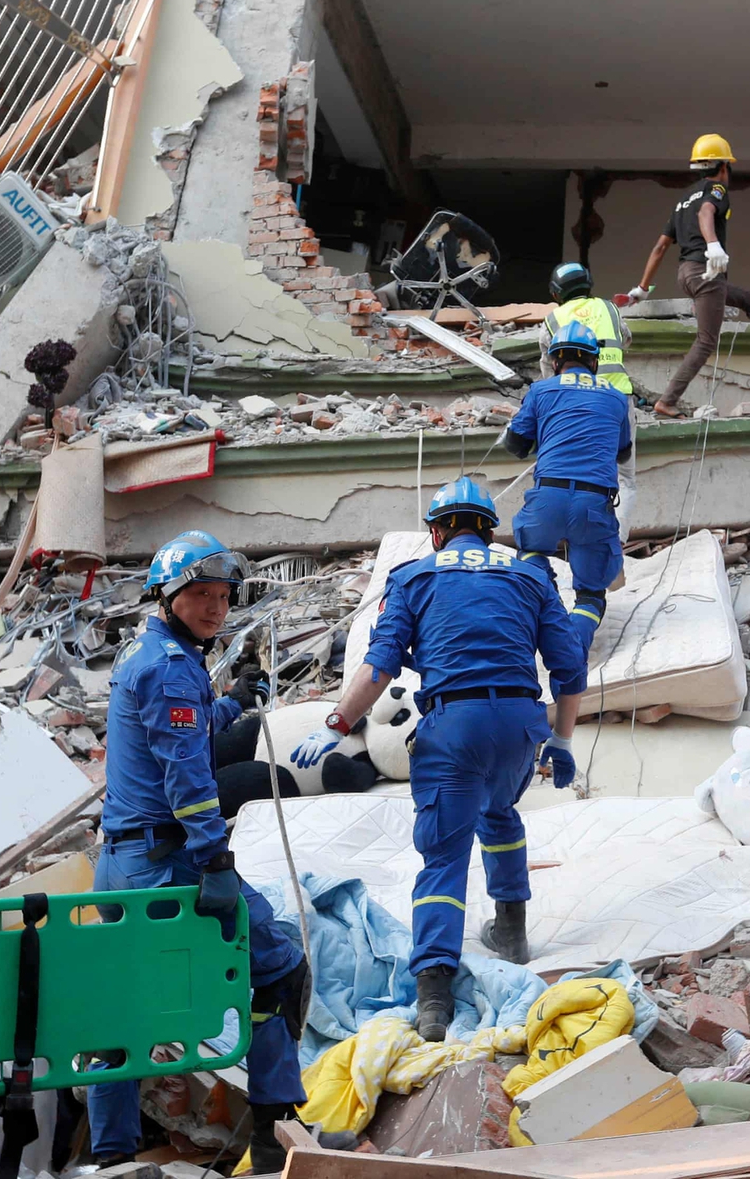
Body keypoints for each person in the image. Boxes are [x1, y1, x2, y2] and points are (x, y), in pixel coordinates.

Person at [289, 480, 586, 1041]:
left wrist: (336, 724)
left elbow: (380, 666)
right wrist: (563, 741)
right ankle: (512, 930)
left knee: (444, 856)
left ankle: (433, 997)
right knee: (500, 813)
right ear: (487, 531)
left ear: (437, 532)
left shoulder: (413, 577)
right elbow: (570, 668)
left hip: (454, 726)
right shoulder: (530, 576)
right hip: (519, 725)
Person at [90, 531, 305, 1174]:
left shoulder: (152, 652)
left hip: (122, 864)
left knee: (126, 1005)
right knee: (279, 967)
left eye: (223, 596)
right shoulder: (170, 668)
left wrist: (230, 703)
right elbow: (186, 776)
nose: (216, 607)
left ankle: (112, 1155)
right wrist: (215, 861)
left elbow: (177, 731)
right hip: (166, 866)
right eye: (202, 594)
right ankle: (273, 1138)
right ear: (168, 595)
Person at [628, 134, 750, 418]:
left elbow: (660, 247)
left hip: (686, 274)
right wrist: (713, 245)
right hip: (705, 273)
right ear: (724, 166)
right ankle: (667, 400)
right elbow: (706, 212)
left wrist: (642, 288)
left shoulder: (682, 201)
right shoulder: (717, 189)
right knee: (706, 341)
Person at [504, 322, 632, 657]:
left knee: (530, 549)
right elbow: (623, 453)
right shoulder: (616, 397)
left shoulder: (541, 391)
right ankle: (572, 650)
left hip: (547, 497)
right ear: (594, 361)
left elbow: (516, 445)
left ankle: (546, 598)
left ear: (555, 361)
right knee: (591, 592)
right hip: (594, 502)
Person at [537, 262, 639, 542]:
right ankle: (615, 544)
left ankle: (575, 539)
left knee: (572, 471)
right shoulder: (609, 309)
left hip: (573, 403)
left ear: (556, 293)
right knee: (625, 479)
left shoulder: (552, 321)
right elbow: (626, 339)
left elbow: (547, 371)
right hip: (617, 399)